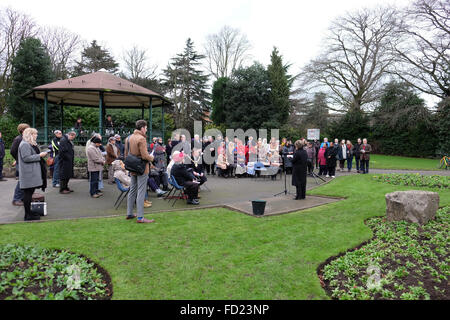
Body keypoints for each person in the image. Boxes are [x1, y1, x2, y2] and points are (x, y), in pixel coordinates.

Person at [125, 120, 155, 223]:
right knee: (141, 192)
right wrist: (152, 158)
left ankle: (129, 213)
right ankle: (140, 217)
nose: (146, 130)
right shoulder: (141, 138)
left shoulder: (129, 138)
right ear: (142, 128)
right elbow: (145, 156)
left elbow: (126, 153)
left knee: (132, 190)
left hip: (132, 167)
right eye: (146, 128)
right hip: (142, 168)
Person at [18, 128, 48, 221]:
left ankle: (29, 212)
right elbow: (26, 158)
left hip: (31, 172)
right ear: (30, 134)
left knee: (29, 193)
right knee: (28, 194)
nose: (36, 135)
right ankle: (27, 215)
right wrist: (40, 156)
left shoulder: (29, 144)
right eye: (35, 134)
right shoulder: (24, 144)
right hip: (28, 173)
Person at [10, 123, 30, 206]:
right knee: (22, 181)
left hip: (23, 163)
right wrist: (18, 159)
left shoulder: (24, 138)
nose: (29, 130)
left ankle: (21, 198)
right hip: (21, 163)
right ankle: (16, 199)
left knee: (24, 181)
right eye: (27, 128)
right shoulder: (18, 139)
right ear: (22, 130)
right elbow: (12, 151)